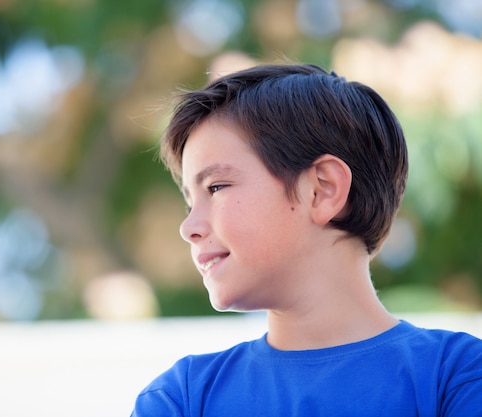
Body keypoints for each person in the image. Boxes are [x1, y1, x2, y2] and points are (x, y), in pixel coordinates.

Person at [130, 63, 482, 416]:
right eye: (189, 202)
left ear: (322, 189)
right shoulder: (182, 398)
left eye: (216, 187)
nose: (188, 226)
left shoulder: (457, 378)